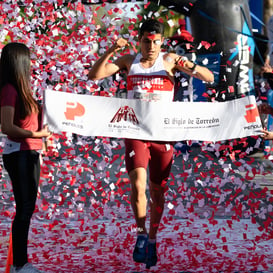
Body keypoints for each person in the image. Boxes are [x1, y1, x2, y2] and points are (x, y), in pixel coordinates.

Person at [88, 18, 214, 269]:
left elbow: (208, 77)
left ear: (162, 42)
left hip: (163, 134)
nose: (151, 47)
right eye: (147, 42)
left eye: (156, 42)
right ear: (139, 41)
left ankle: (153, 239)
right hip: (136, 131)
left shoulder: (169, 61)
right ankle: (141, 233)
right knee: (138, 183)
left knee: (158, 192)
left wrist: (189, 65)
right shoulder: (129, 61)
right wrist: (112, 50)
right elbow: (94, 75)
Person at [0, 43, 51, 273]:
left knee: (27, 208)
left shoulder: (23, 89)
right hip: (18, 152)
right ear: (19, 62)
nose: (31, 64)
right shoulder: (10, 89)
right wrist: (37, 134)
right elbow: (7, 126)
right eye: (28, 59)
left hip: (29, 152)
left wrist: (43, 139)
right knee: (24, 208)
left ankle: (21, 263)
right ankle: (20, 264)